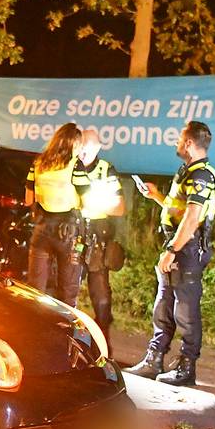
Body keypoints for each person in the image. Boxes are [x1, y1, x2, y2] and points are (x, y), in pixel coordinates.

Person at [125, 121, 215, 387]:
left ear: (189, 143)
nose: (176, 142)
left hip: (187, 250)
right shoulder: (188, 171)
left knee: (186, 311)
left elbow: (191, 219)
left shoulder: (202, 175)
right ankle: (154, 360)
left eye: (180, 138)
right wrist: (156, 197)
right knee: (163, 305)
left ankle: (186, 368)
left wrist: (172, 250)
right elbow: (179, 210)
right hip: (178, 245)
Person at [73, 129, 125, 345]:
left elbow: (120, 208)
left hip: (96, 237)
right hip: (73, 234)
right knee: (67, 289)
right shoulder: (70, 167)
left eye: (88, 147)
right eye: (81, 146)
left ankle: (104, 343)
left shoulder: (106, 171)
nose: (84, 151)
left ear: (98, 148)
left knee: (100, 293)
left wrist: (94, 204)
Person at [25, 123, 85, 306]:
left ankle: (33, 325)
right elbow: (87, 200)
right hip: (68, 232)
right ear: (74, 144)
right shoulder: (75, 165)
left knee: (35, 288)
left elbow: (28, 199)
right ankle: (65, 329)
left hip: (42, 229)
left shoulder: (38, 163)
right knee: (67, 289)